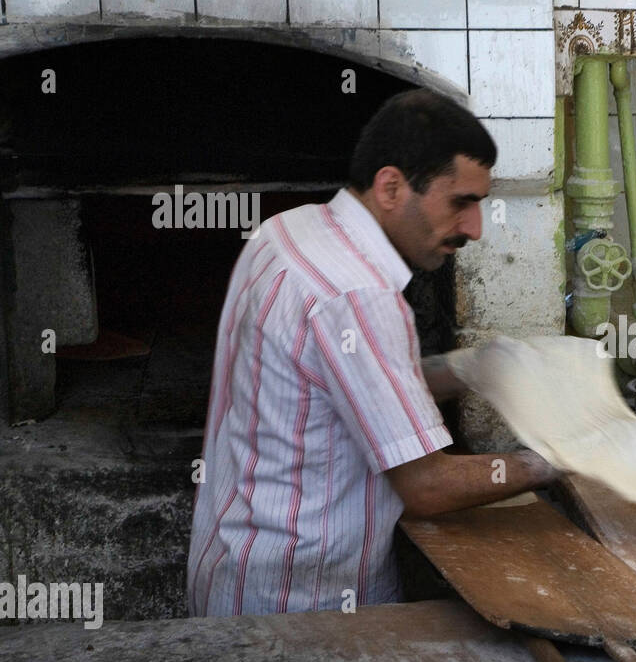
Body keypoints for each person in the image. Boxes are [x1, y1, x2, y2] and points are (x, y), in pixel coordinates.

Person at [188, 89, 557, 617]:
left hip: (234, 571)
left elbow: (354, 383)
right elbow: (426, 485)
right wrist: (560, 460)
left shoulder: (288, 231)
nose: (475, 229)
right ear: (390, 187)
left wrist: (470, 369)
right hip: (301, 608)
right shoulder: (359, 297)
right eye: (461, 203)